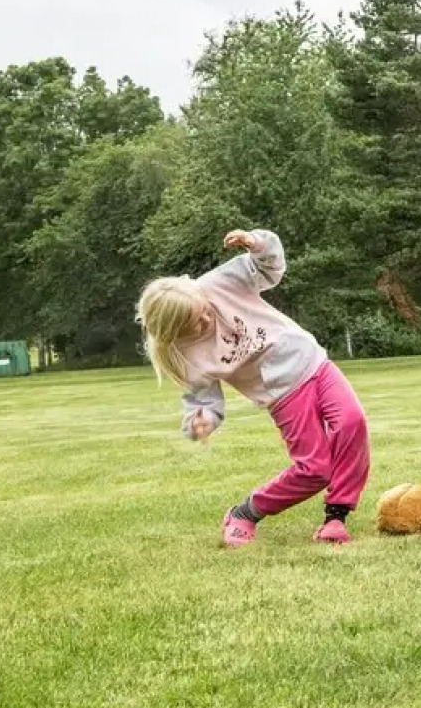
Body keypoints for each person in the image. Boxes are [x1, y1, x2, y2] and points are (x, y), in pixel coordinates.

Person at [136, 228, 371, 547]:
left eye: (204, 309)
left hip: (312, 361)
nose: (207, 317)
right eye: (197, 322)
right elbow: (204, 403)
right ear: (174, 330)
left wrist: (256, 243)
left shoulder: (217, 284)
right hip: (281, 394)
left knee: (352, 422)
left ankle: (336, 515)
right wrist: (201, 421)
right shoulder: (186, 356)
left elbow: (270, 267)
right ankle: (245, 513)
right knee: (314, 469)